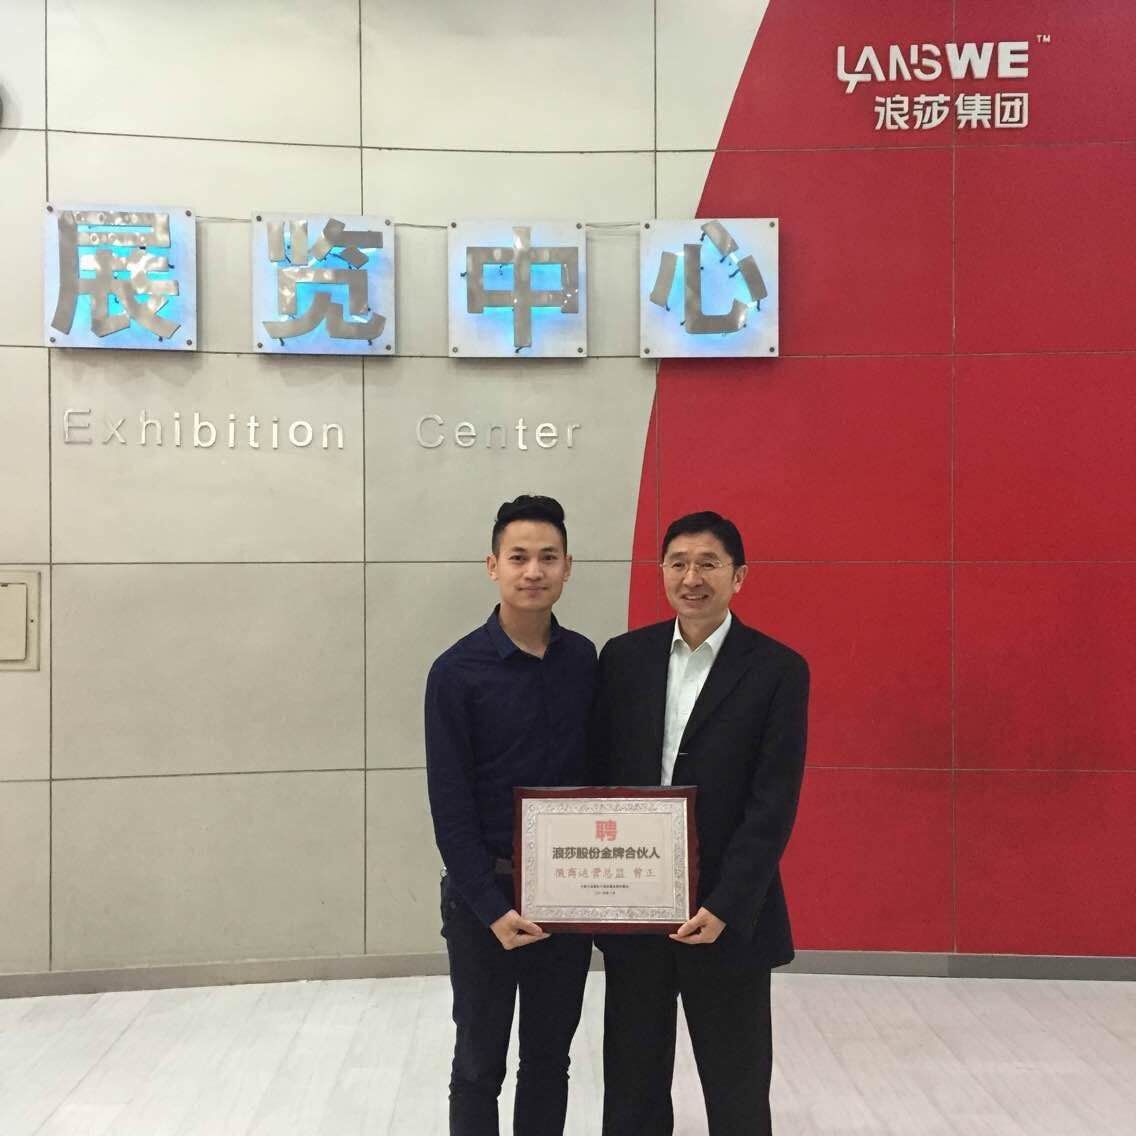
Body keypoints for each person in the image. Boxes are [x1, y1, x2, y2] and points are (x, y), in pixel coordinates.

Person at [590, 510, 810, 1135]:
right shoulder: (624, 659)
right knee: (631, 1086)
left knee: (737, 1088)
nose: (692, 577)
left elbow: (773, 802)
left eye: (709, 564)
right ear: (661, 571)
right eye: (678, 563)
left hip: (727, 914)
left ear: (739, 576)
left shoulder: (777, 670)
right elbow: (600, 779)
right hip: (636, 909)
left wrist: (726, 902)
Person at [425, 494, 596, 1136]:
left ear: (568, 567)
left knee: (550, 1061)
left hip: (568, 895)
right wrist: (490, 908)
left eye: (548, 557)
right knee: (478, 1064)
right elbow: (450, 805)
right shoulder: (455, 672)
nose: (533, 571)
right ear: (492, 565)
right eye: (518, 557)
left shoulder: (584, 661)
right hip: (484, 901)